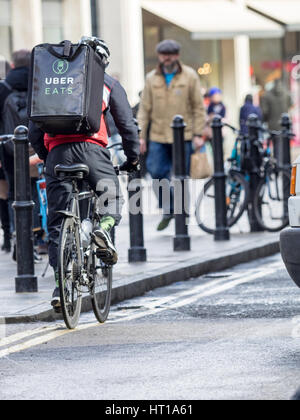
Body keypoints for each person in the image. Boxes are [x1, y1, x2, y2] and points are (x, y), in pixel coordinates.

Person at [29, 38, 140, 310]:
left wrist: (47, 157)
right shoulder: (108, 83)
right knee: (111, 201)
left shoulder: (55, 80)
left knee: (57, 224)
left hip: (57, 154)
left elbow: (34, 129)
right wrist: (132, 158)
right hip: (93, 151)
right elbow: (126, 124)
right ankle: (102, 229)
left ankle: (60, 288)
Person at [138, 39, 206, 231]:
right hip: (158, 135)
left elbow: (198, 107)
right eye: (163, 55)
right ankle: (169, 208)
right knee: (156, 171)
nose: (166, 58)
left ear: (177, 56)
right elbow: (144, 109)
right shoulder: (152, 78)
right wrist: (141, 136)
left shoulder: (190, 76)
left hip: (183, 135)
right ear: (159, 56)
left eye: (170, 54)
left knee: (181, 175)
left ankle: (181, 211)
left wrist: (199, 133)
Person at [0, 50, 31, 253]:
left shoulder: (3, 88)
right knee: (37, 189)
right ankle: (38, 236)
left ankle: (12, 236)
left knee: (10, 192)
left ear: (12, 65)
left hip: (8, 148)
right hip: (36, 146)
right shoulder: (38, 83)